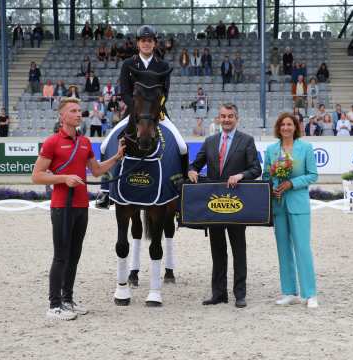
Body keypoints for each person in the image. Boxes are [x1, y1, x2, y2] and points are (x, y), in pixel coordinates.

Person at [31, 97, 125, 321]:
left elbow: (97, 169)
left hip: (82, 206)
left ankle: (67, 299)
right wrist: (64, 178)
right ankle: (54, 305)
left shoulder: (84, 143)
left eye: (79, 110)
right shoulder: (52, 142)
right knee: (61, 256)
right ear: (62, 116)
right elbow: (36, 176)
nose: (78, 114)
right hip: (62, 207)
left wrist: (117, 157)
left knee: (74, 256)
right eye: (73, 111)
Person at [96, 24, 188, 209]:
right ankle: (105, 190)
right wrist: (137, 110)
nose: (146, 44)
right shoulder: (128, 64)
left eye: (150, 41)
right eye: (143, 41)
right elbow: (125, 92)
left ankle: (182, 185)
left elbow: (165, 94)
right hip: (133, 113)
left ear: (154, 43)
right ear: (138, 43)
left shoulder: (163, 65)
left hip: (158, 114)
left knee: (182, 146)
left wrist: (154, 111)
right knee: (106, 144)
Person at [188, 103, 261, 308]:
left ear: (236, 118)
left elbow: (256, 169)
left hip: (237, 204)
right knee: (217, 250)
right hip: (214, 205)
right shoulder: (210, 141)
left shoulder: (246, 140)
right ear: (218, 119)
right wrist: (192, 171)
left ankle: (240, 294)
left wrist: (240, 175)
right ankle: (218, 293)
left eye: (230, 116)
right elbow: (196, 163)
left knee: (239, 249)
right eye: (223, 116)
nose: (226, 119)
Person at [262, 112, 318, 308]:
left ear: (295, 127)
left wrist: (291, 184)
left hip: (298, 203)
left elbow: (312, 175)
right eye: (283, 125)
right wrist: (273, 185)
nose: (286, 128)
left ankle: (310, 293)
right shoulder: (271, 150)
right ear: (278, 128)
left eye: (289, 124)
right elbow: (265, 175)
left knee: (302, 248)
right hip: (278, 205)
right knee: (283, 249)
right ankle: (289, 291)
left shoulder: (305, 148)